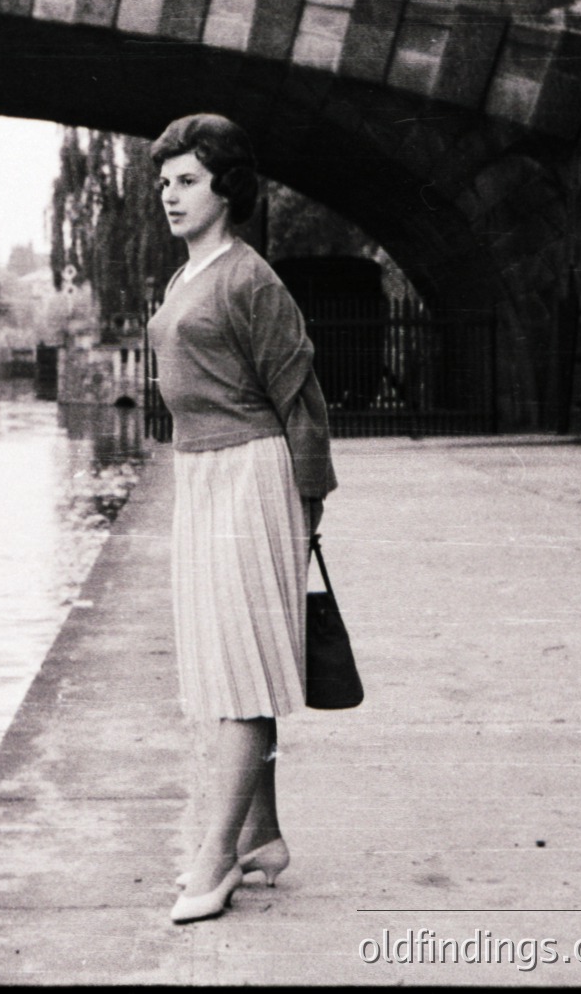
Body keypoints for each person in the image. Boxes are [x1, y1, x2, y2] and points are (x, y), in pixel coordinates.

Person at [145, 114, 338, 925]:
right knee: (226, 660)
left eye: (187, 180)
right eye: (164, 183)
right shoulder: (185, 278)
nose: (171, 195)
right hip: (200, 475)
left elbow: (302, 400)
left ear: (227, 186)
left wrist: (303, 510)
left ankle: (214, 855)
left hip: (252, 476)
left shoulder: (249, 278)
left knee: (243, 673)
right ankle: (261, 834)